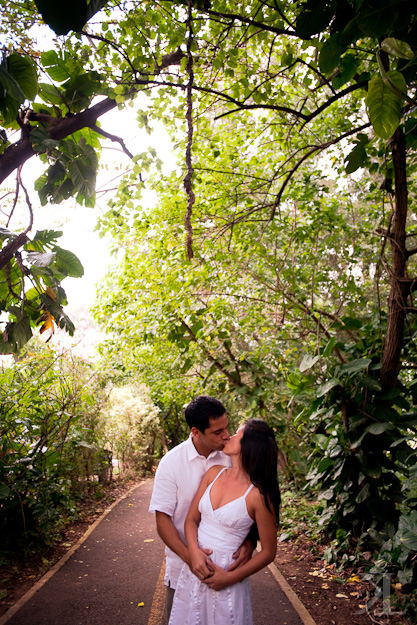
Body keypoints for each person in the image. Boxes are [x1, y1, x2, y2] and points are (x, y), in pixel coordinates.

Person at [149, 396, 254, 621]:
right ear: (196, 432)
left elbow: (252, 504)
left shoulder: (233, 457)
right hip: (181, 570)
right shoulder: (171, 463)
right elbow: (163, 520)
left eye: (227, 428)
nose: (226, 436)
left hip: (227, 572)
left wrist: (250, 542)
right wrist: (191, 557)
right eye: (218, 432)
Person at [168, 419, 281, 625]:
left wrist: (229, 579)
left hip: (227, 575)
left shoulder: (259, 495)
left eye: (237, 434)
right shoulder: (214, 473)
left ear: (250, 446)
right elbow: (192, 519)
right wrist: (194, 551)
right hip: (196, 569)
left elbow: (268, 552)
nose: (229, 436)